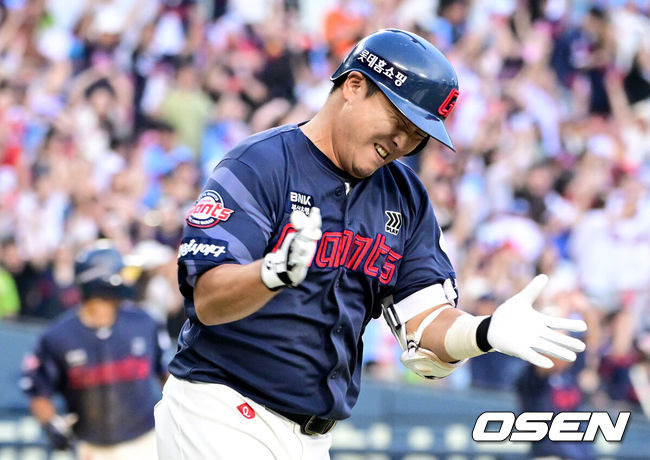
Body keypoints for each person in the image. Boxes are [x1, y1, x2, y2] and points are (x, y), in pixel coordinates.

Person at [155, 29, 587, 459]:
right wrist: (270, 274)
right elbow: (208, 299)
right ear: (354, 86)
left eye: (418, 133)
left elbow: (423, 325)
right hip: (221, 408)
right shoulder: (261, 164)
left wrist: (484, 331)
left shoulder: (405, 195)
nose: (404, 142)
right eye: (399, 121)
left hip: (311, 436)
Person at [22, 240, 169, 459]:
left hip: (146, 440)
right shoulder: (57, 336)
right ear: (102, 278)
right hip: (92, 448)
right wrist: (51, 424)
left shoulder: (145, 322)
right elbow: (38, 392)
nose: (127, 277)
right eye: (120, 271)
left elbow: (168, 376)